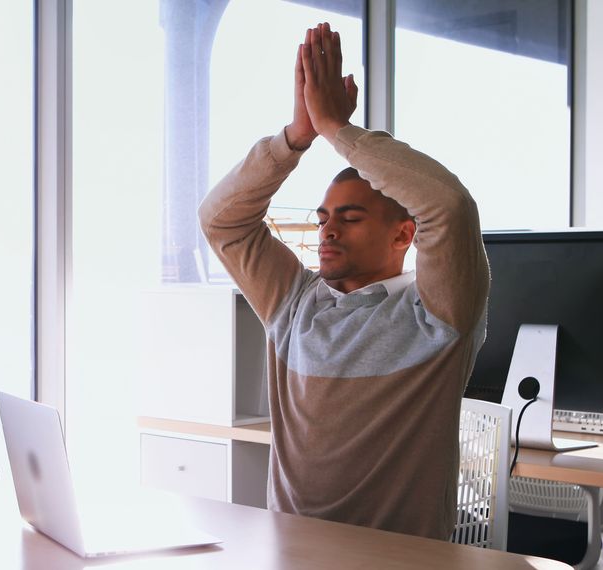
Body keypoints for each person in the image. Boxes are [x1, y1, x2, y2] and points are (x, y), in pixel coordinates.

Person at [198, 23, 490, 540]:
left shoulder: (439, 315)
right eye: (324, 216)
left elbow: (449, 207)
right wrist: (296, 137)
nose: (328, 228)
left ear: (404, 233)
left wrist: (337, 130)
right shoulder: (294, 303)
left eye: (350, 217)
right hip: (292, 555)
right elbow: (221, 220)